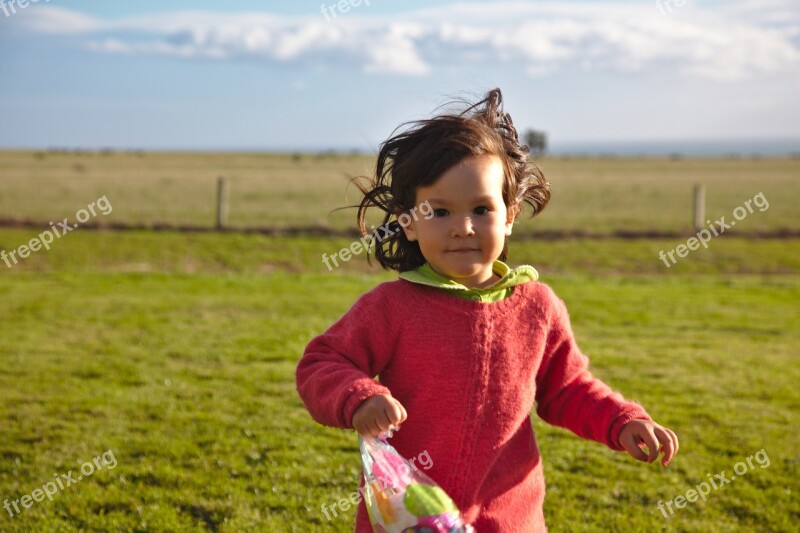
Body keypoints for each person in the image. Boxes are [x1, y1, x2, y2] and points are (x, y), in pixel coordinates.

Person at [296, 88, 679, 532]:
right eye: (439, 212)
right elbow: (322, 362)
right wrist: (359, 397)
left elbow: (567, 388)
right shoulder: (392, 307)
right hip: (411, 517)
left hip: (510, 519)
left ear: (510, 214)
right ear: (409, 222)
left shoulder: (538, 307)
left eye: (482, 209)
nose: (463, 227)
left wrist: (619, 420)